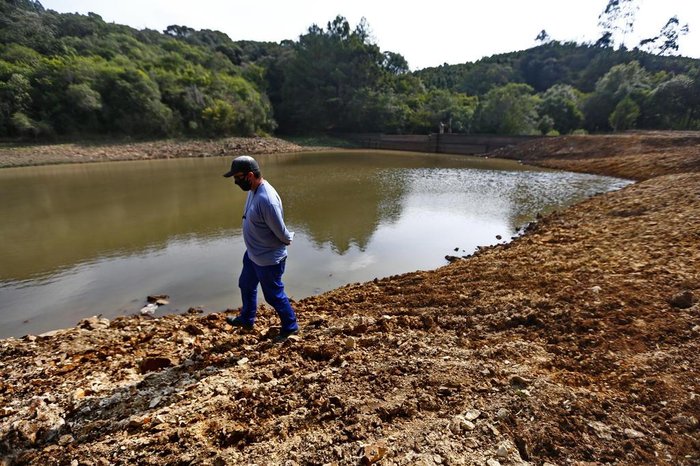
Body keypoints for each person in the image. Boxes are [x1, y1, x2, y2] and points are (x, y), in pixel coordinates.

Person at [223, 155, 299, 342]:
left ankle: (291, 327)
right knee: (246, 285)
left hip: (268, 259)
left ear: (250, 175)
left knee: (273, 296)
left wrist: (289, 237)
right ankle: (247, 320)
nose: (235, 181)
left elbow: (281, 233)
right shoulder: (253, 190)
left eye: (238, 177)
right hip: (253, 254)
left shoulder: (267, 200)